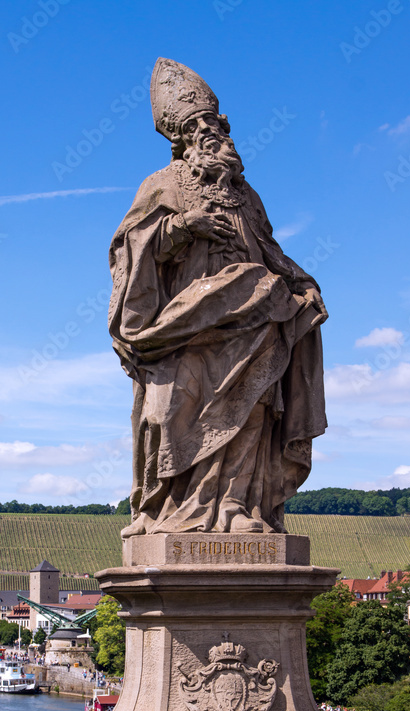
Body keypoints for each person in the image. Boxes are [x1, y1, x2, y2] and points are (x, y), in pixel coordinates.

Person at [109, 58, 328, 536]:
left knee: (252, 409)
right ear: (182, 139)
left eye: (217, 125)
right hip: (185, 325)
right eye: (198, 127)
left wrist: (302, 283)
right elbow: (130, 248)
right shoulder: (162, 184)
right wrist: (185, 226)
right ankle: (162, 508)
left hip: (253, 322)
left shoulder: (248, 196)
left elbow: (270, 251)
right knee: (167, 412)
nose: (212, 133)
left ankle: (235, 507)